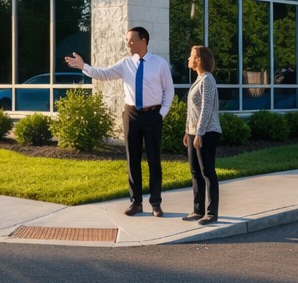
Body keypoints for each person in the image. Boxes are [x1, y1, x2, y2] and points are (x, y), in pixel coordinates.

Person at [65, 27, 174, 216]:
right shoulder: (125, 63)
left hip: (153, 116)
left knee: (154, 160)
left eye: (131, 40)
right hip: (131, 115)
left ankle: (156, 203)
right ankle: (136, 202)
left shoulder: (160, 64)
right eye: (127, 40)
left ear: (144, 40)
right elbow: (104, 74)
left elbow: (169, 90)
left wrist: (161, 114)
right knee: (133, 160)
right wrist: (84, 66)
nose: (128, 44)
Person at [182, 44, 222, 224]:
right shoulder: (198, 79)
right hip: (194, 131)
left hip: (207, 131)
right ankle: (197, 210)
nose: (189, 59)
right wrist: (187, 131)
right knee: (195, 171)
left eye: (191, 56)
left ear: (199, 60)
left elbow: (206, 108)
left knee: (207, 171)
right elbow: (192, 110)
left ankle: (211, 213)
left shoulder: (207, 79)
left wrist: (199, 133)